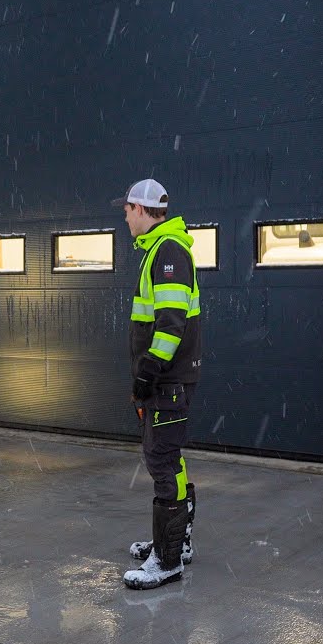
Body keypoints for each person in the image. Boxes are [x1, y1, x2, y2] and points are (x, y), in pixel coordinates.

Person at [112, 178, 201, 590]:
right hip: (167, 380)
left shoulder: (167, 252)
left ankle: (167, 561)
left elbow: (171, 323)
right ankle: (175, 541)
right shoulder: (160, 250)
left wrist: (148, 371)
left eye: (128, 209)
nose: (125, 216)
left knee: (161, 460)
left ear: (142, 210)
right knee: (170, 458)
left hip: (167, 380)